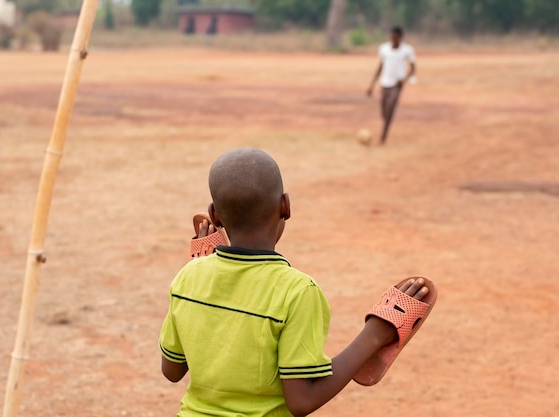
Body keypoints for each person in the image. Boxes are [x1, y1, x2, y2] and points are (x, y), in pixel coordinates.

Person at [159, 148, 435, 417]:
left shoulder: (188, 276)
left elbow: (172, 370)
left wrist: (205, 272)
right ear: (285, 206)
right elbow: (302, 400)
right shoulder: (297, 291)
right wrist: (375, 333)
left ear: (214, 214)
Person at [366, 26, 416, 145]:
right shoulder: (384, 49)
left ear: (400, 37)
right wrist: (372, 85)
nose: (393, 39)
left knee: (391, 107)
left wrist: (404, 79)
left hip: (397, 84)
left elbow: (413, 68)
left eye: (396, 37)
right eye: (392, 37)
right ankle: (386, 123)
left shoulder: (407, 50)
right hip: (385, 83)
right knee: (384, 111)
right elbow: (380, 66)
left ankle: (383, 136)